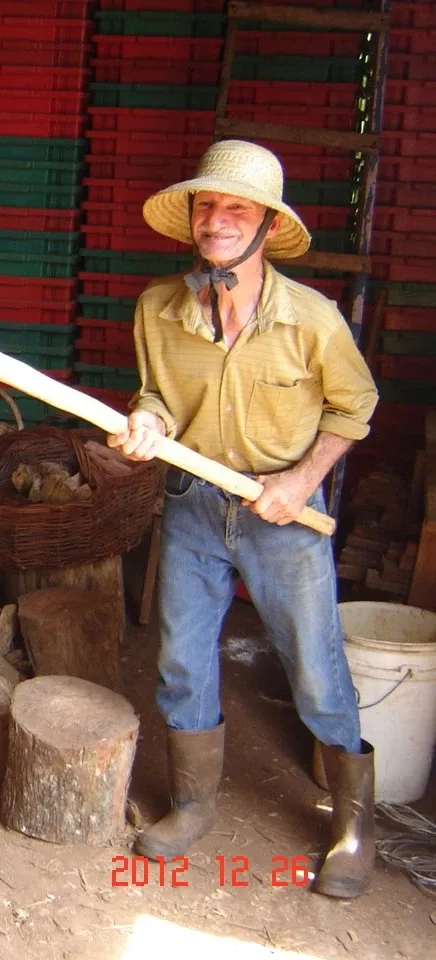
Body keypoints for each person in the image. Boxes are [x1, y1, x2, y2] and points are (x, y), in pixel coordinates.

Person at [107, 140, 379, 899]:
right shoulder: (157, 310)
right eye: (207, 205)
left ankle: (353, 821)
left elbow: (355, 408)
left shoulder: (312, 320)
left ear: (265, 226)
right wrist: (149, 424)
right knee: (182, 660)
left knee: (316, 669)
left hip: (285, 516)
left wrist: (301, 481)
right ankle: (193, 804)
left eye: (237, 208)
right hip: (195, 506)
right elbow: (155, 395)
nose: (217, 220)